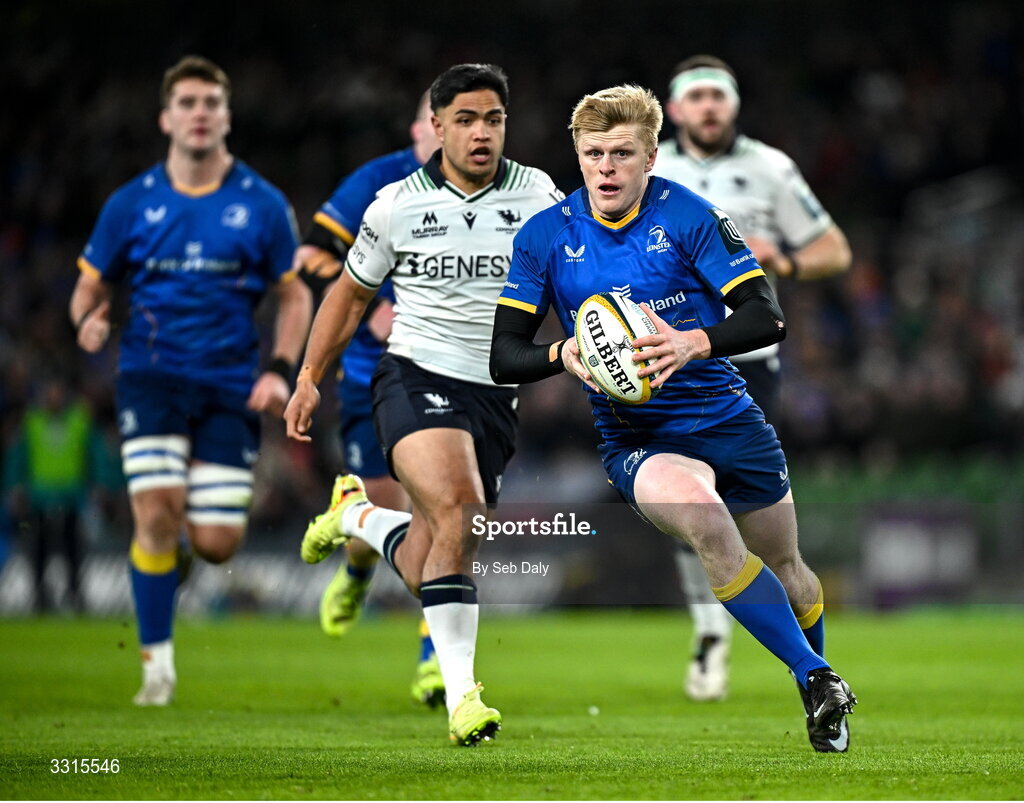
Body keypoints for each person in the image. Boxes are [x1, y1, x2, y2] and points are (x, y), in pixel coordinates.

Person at [490, 84, 857, 753]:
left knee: (790, 567)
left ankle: (821, 701)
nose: (606, 167)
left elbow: (765, 313)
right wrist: (561, 351)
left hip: (725, 413)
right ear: (577, 154)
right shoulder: (545, 237)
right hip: (637, 436)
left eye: (621, 153)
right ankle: (817, 676)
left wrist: (691, 340)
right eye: (593, 152)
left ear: (651, 155)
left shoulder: (691, 217)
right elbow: (503, 355)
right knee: (705, 516)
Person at [284, 63, 562, 746]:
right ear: (435, 127)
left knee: (443, 544)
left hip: (496, 395)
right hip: (413, 375)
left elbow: (576, 273)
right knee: (459, 511)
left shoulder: (540, 198)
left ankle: (360, 517)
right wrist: (309, 374)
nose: (480, 133)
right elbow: (347, 295)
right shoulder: (395, 204)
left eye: (492, 119)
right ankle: (463, 697)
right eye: (465, 119)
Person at [69, 55, 312, 706]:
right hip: (150, 376)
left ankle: (170, 558)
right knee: (154, 511)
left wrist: (280, 371)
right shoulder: (131, 203)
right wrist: (88, 319)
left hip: (229, 383)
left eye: (211, 102)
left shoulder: (261, 204)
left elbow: (293, 298)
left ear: (226, 117)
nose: (200, 113)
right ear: (166, 118)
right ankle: (157, 668)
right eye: (188, 102)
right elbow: (90, 285)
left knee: (215, 542)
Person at [652, 55, 852, 703]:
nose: (708, 106)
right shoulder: (647, 168)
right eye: (696, 96)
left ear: (733, 105)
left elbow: (835, 249)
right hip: (664, 360)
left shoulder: (770, 167)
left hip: (747, 363)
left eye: (719, 95)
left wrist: (784, 260)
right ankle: (712, 631)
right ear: (675, 109)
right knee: (691, 499)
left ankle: (798, 658)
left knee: (743, 516)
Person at [295, 90, 446, 708]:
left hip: (452, 378)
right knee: (392, 508)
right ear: (419, 128)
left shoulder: (501, 196)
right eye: (443, 121)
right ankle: (358, 555)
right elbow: (311, 254)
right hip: (369, 375)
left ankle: (436, 660)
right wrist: (372, 301)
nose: (458, 133)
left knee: (445, 515)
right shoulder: (380, 183)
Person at [3, 376, 114, 612]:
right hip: (39, 497)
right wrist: (15, 486)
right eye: (49, 391)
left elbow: (94, 453)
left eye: (57, 391)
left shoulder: (79, 420)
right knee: (39, 549)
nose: (53, 397)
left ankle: (75, 595)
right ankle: (40, 596)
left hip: (71, 495)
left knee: (73, 548)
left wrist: (98, 484)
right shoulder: (32, 421)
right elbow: (19, 456)